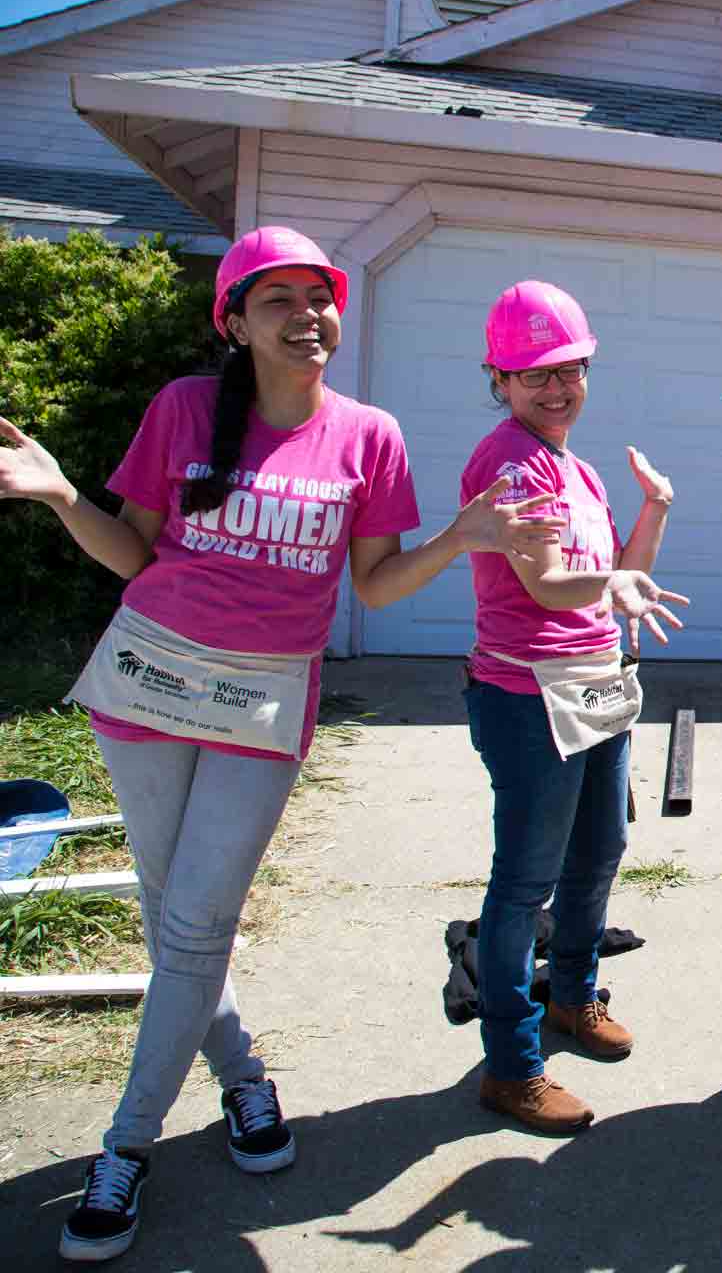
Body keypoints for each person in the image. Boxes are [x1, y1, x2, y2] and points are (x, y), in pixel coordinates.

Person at [0, 226, 557, 1264]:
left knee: (196, 924)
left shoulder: (369, 435)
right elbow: (132, 551)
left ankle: (124, 1148)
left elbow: (377, 582)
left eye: (321, 296)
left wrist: (461, 539)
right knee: (181, 925)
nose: (309, 316)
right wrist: (59, 493)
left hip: (261, 704)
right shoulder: (181, 409)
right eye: (280, 301)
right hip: (149, 683)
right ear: (235, 320)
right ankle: (247, 1080)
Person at [462, 280, 690, 1136]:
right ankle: (512, 1066)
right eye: (534, 376)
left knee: (599, 854)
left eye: (569, 370)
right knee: (524, 882)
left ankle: (572, 997)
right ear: (500, 378)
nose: (556, 389)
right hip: (528, 699)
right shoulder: (507, 463)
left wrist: (655, 510)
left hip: (597, 691)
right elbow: (550, 585)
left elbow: (620, 575)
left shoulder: (577, 468)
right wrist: (612, 583)